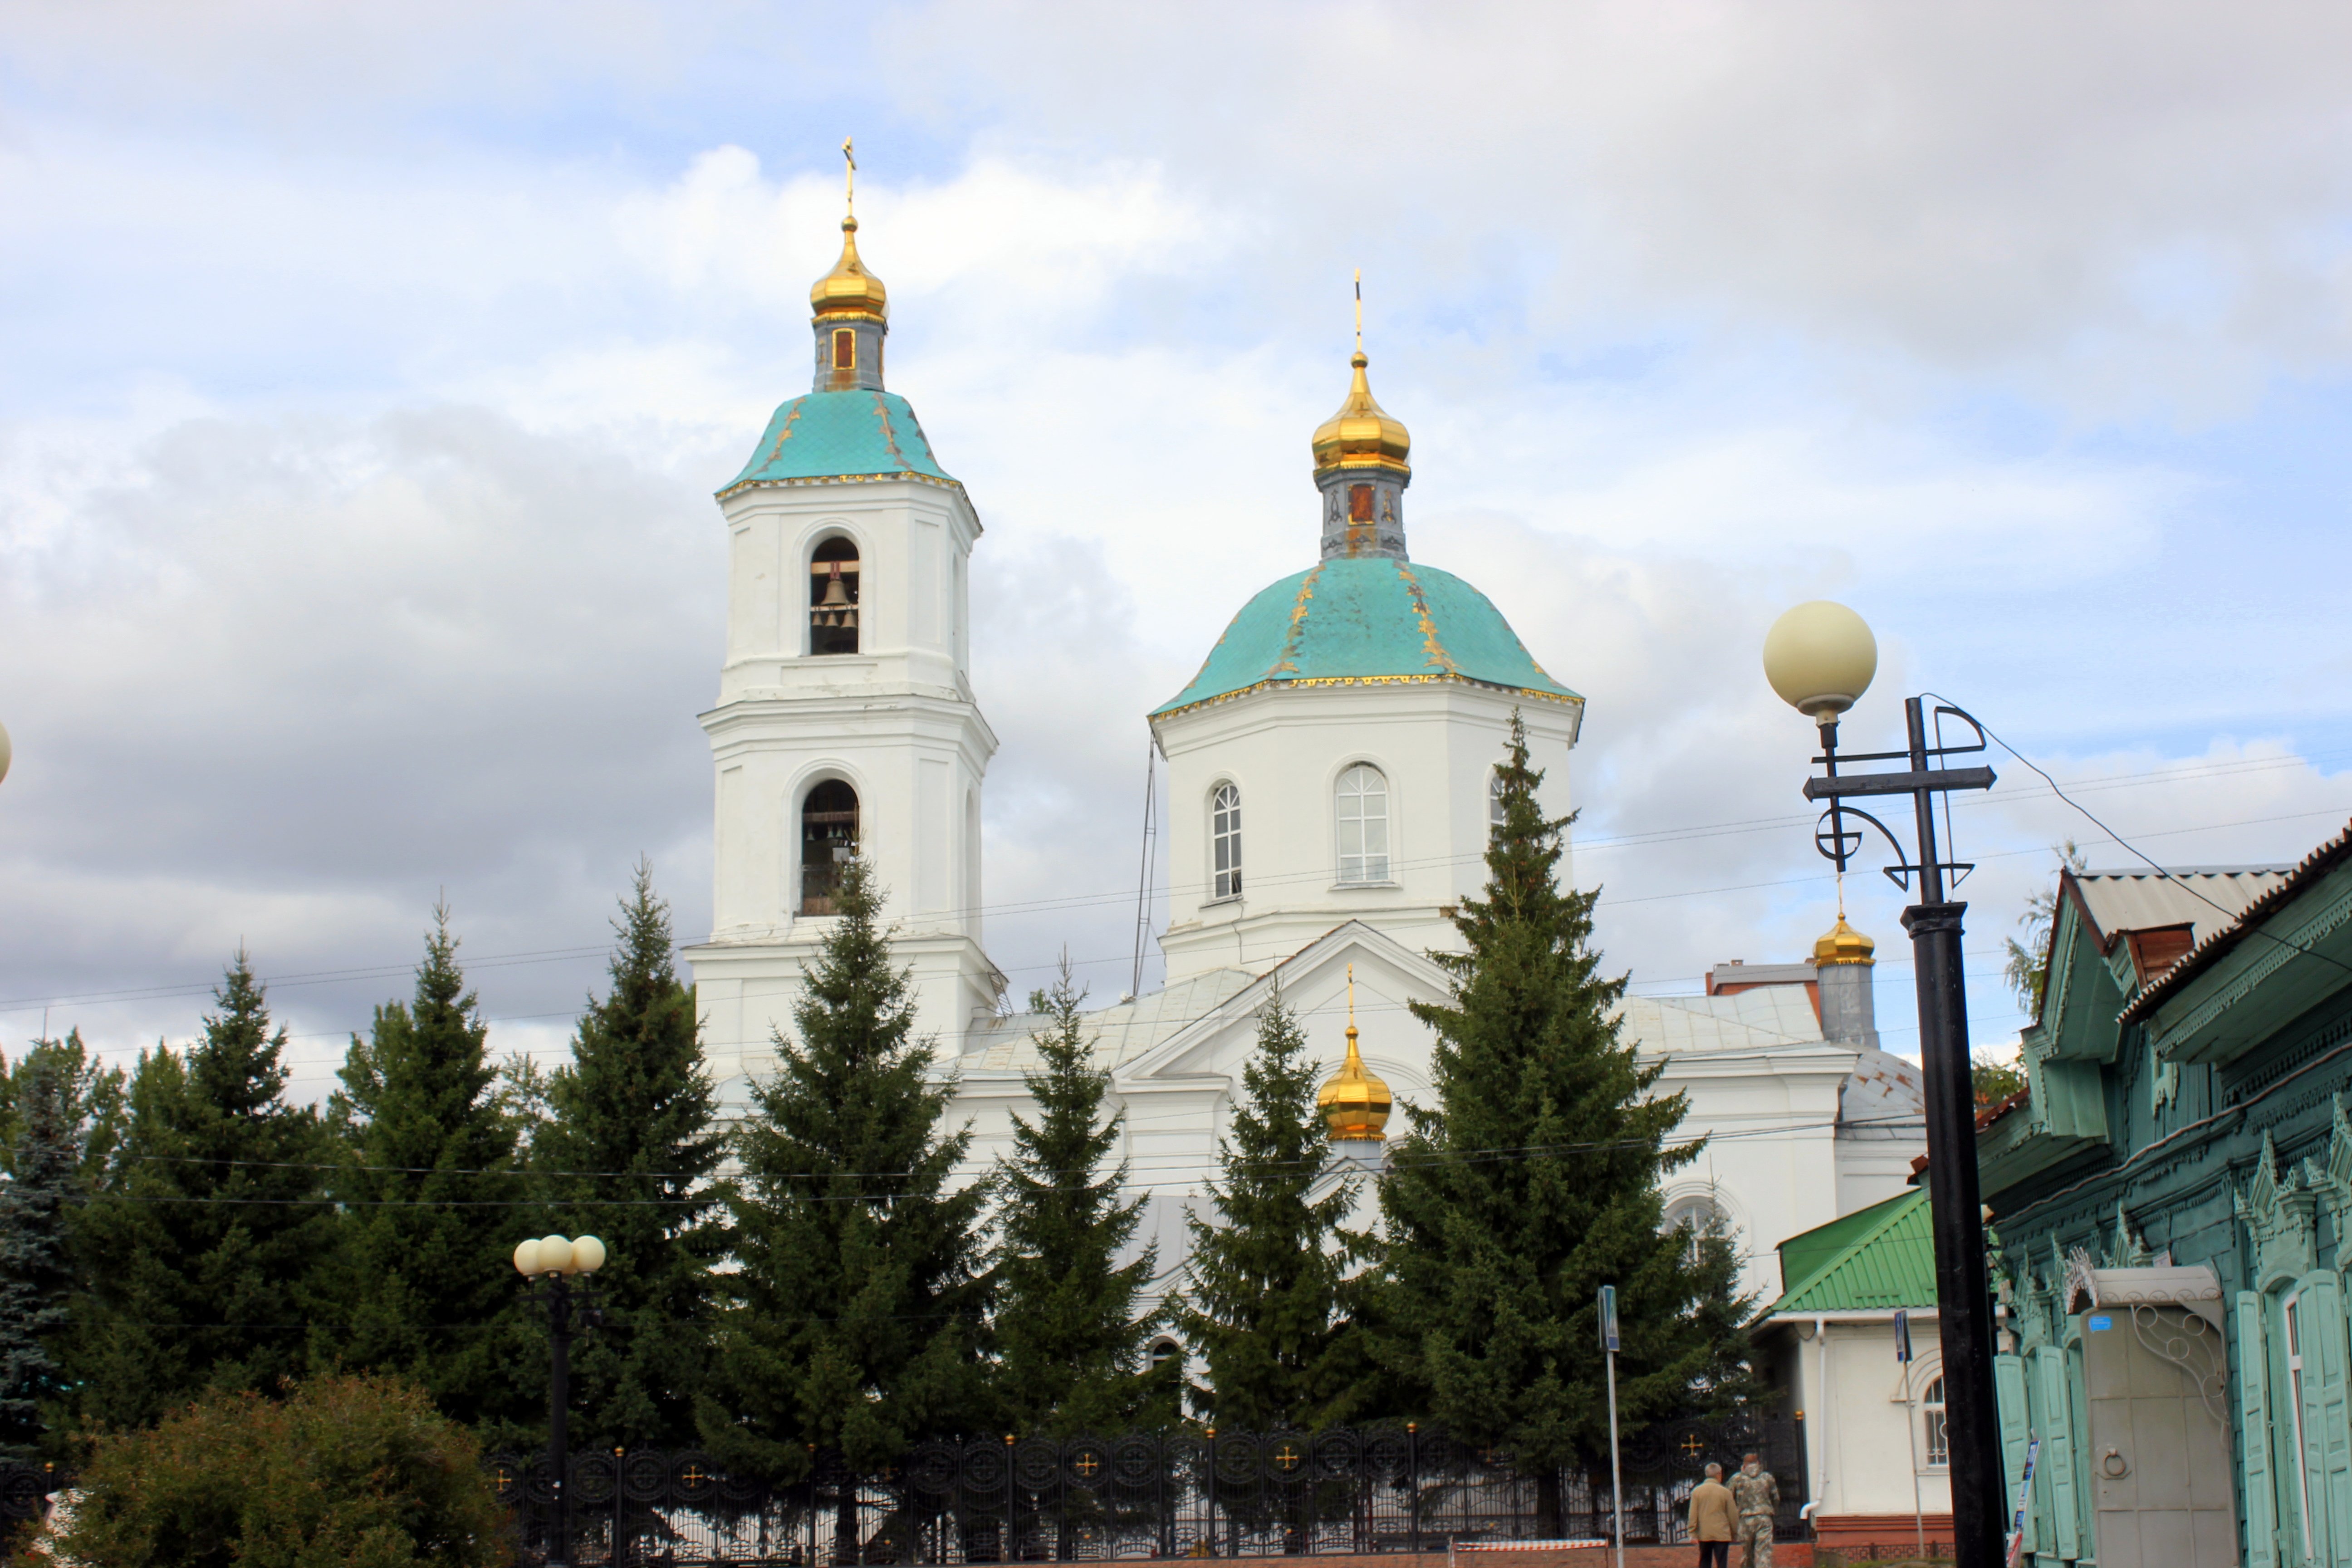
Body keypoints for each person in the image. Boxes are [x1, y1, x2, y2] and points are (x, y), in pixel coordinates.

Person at [1728, 1452, 1779, 1568]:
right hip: (1764, 1518)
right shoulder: (1767, 1477)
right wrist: (1772, 1510)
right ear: (1758, 1463)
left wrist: (1735, 1514)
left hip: (1746, 1520)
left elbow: (1729, 1499)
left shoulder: (1737, 1479)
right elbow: (1776, 1498)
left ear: (1744, 1464)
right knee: (1764, 1552)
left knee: (1747, 1553)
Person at [1688, 1461, 1736, 1568]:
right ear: (1719, 1474)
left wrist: (1692, 1533)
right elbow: (1733, 1515)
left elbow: (1693, 1514)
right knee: (1722, 1563)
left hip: (1704, 1534)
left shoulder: (1697, 1492)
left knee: (1705, 1561)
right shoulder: (1725, 1492)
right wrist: (1734, 1533)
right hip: (1722, 1534)